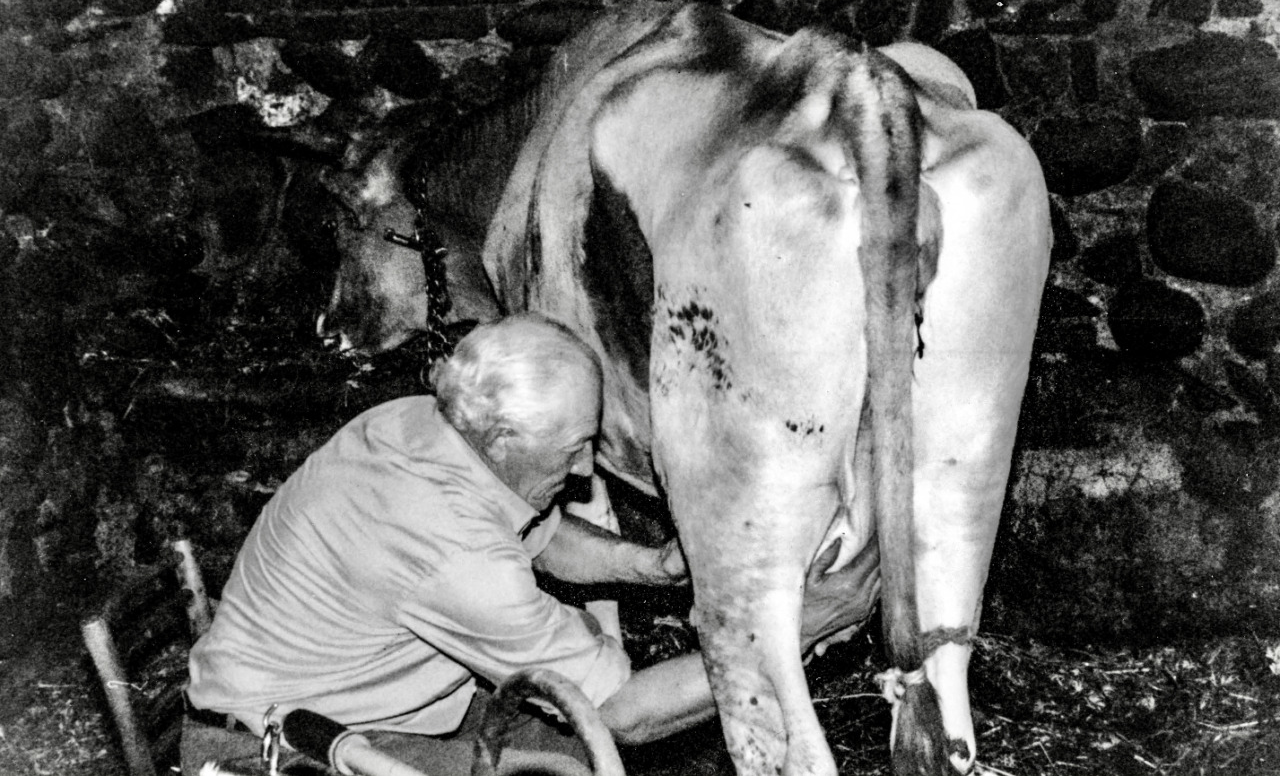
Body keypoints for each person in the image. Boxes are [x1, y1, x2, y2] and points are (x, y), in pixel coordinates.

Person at [181, 313, 877, 776]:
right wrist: (808, 622)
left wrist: (651, 566)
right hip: (277, 751)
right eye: (575, 450)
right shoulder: (454, 555)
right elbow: (623, 713)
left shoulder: (419, 425)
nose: (583, 472)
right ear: (504, 440)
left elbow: (540, 540)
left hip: (356, 706)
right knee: (599, 751)